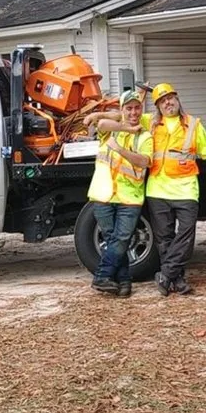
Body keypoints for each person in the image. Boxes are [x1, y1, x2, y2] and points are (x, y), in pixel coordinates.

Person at [86, 83, 206, 296]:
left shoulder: (192, 125)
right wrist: (103, 115)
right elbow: (121, 116)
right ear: (157, 106)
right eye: (162, 100)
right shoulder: (151, 121)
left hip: (184, 190)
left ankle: (165, 273)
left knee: (185, 236)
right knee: (163, 239)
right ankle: (174, 279)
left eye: (170, 98)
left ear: (177, 99)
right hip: (156, 190)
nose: (167, 103)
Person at [84, 90, 154, 298]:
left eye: (137, 108)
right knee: (112, 238)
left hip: (129, 197)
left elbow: (145, 161)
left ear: (142, 109)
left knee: (122, 239)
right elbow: (101, 124)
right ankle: (124, 281)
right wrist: (127, 128)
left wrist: (121, 149)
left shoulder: (146, 134)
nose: (133, 112)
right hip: (103, 193)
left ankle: (102, 276)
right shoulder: (112, 130)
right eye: (129, 108)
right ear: (121, 110)